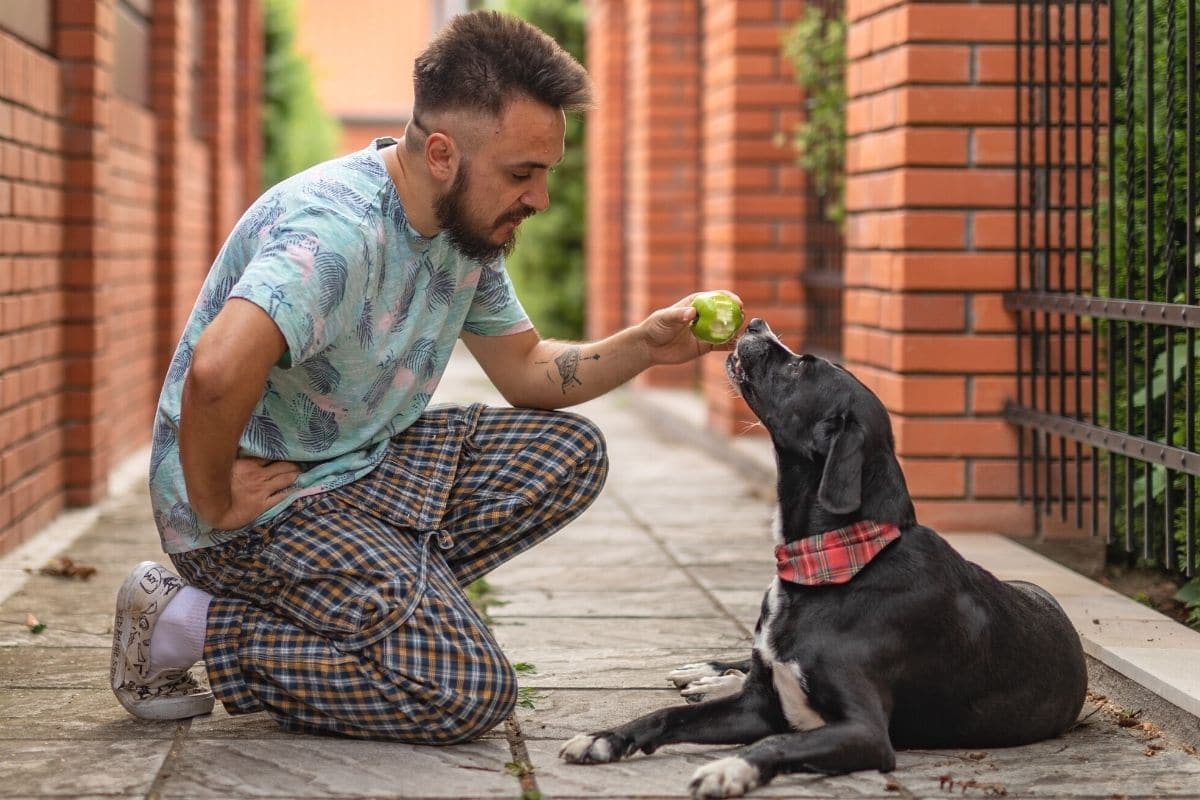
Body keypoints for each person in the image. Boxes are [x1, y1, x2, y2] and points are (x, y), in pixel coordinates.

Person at [109, 9, 740, 743]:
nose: (539, 198)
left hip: (352, 470)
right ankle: (186, 621)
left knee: (571, 454)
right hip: (256, 509)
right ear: (442, 153)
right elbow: (217, 370)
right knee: (463, 694)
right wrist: (213, 501)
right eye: (522, 173)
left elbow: (529, 371)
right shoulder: (335, 236)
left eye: (545, 173)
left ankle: (383, 599)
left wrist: (642, 346)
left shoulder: (465, 234)